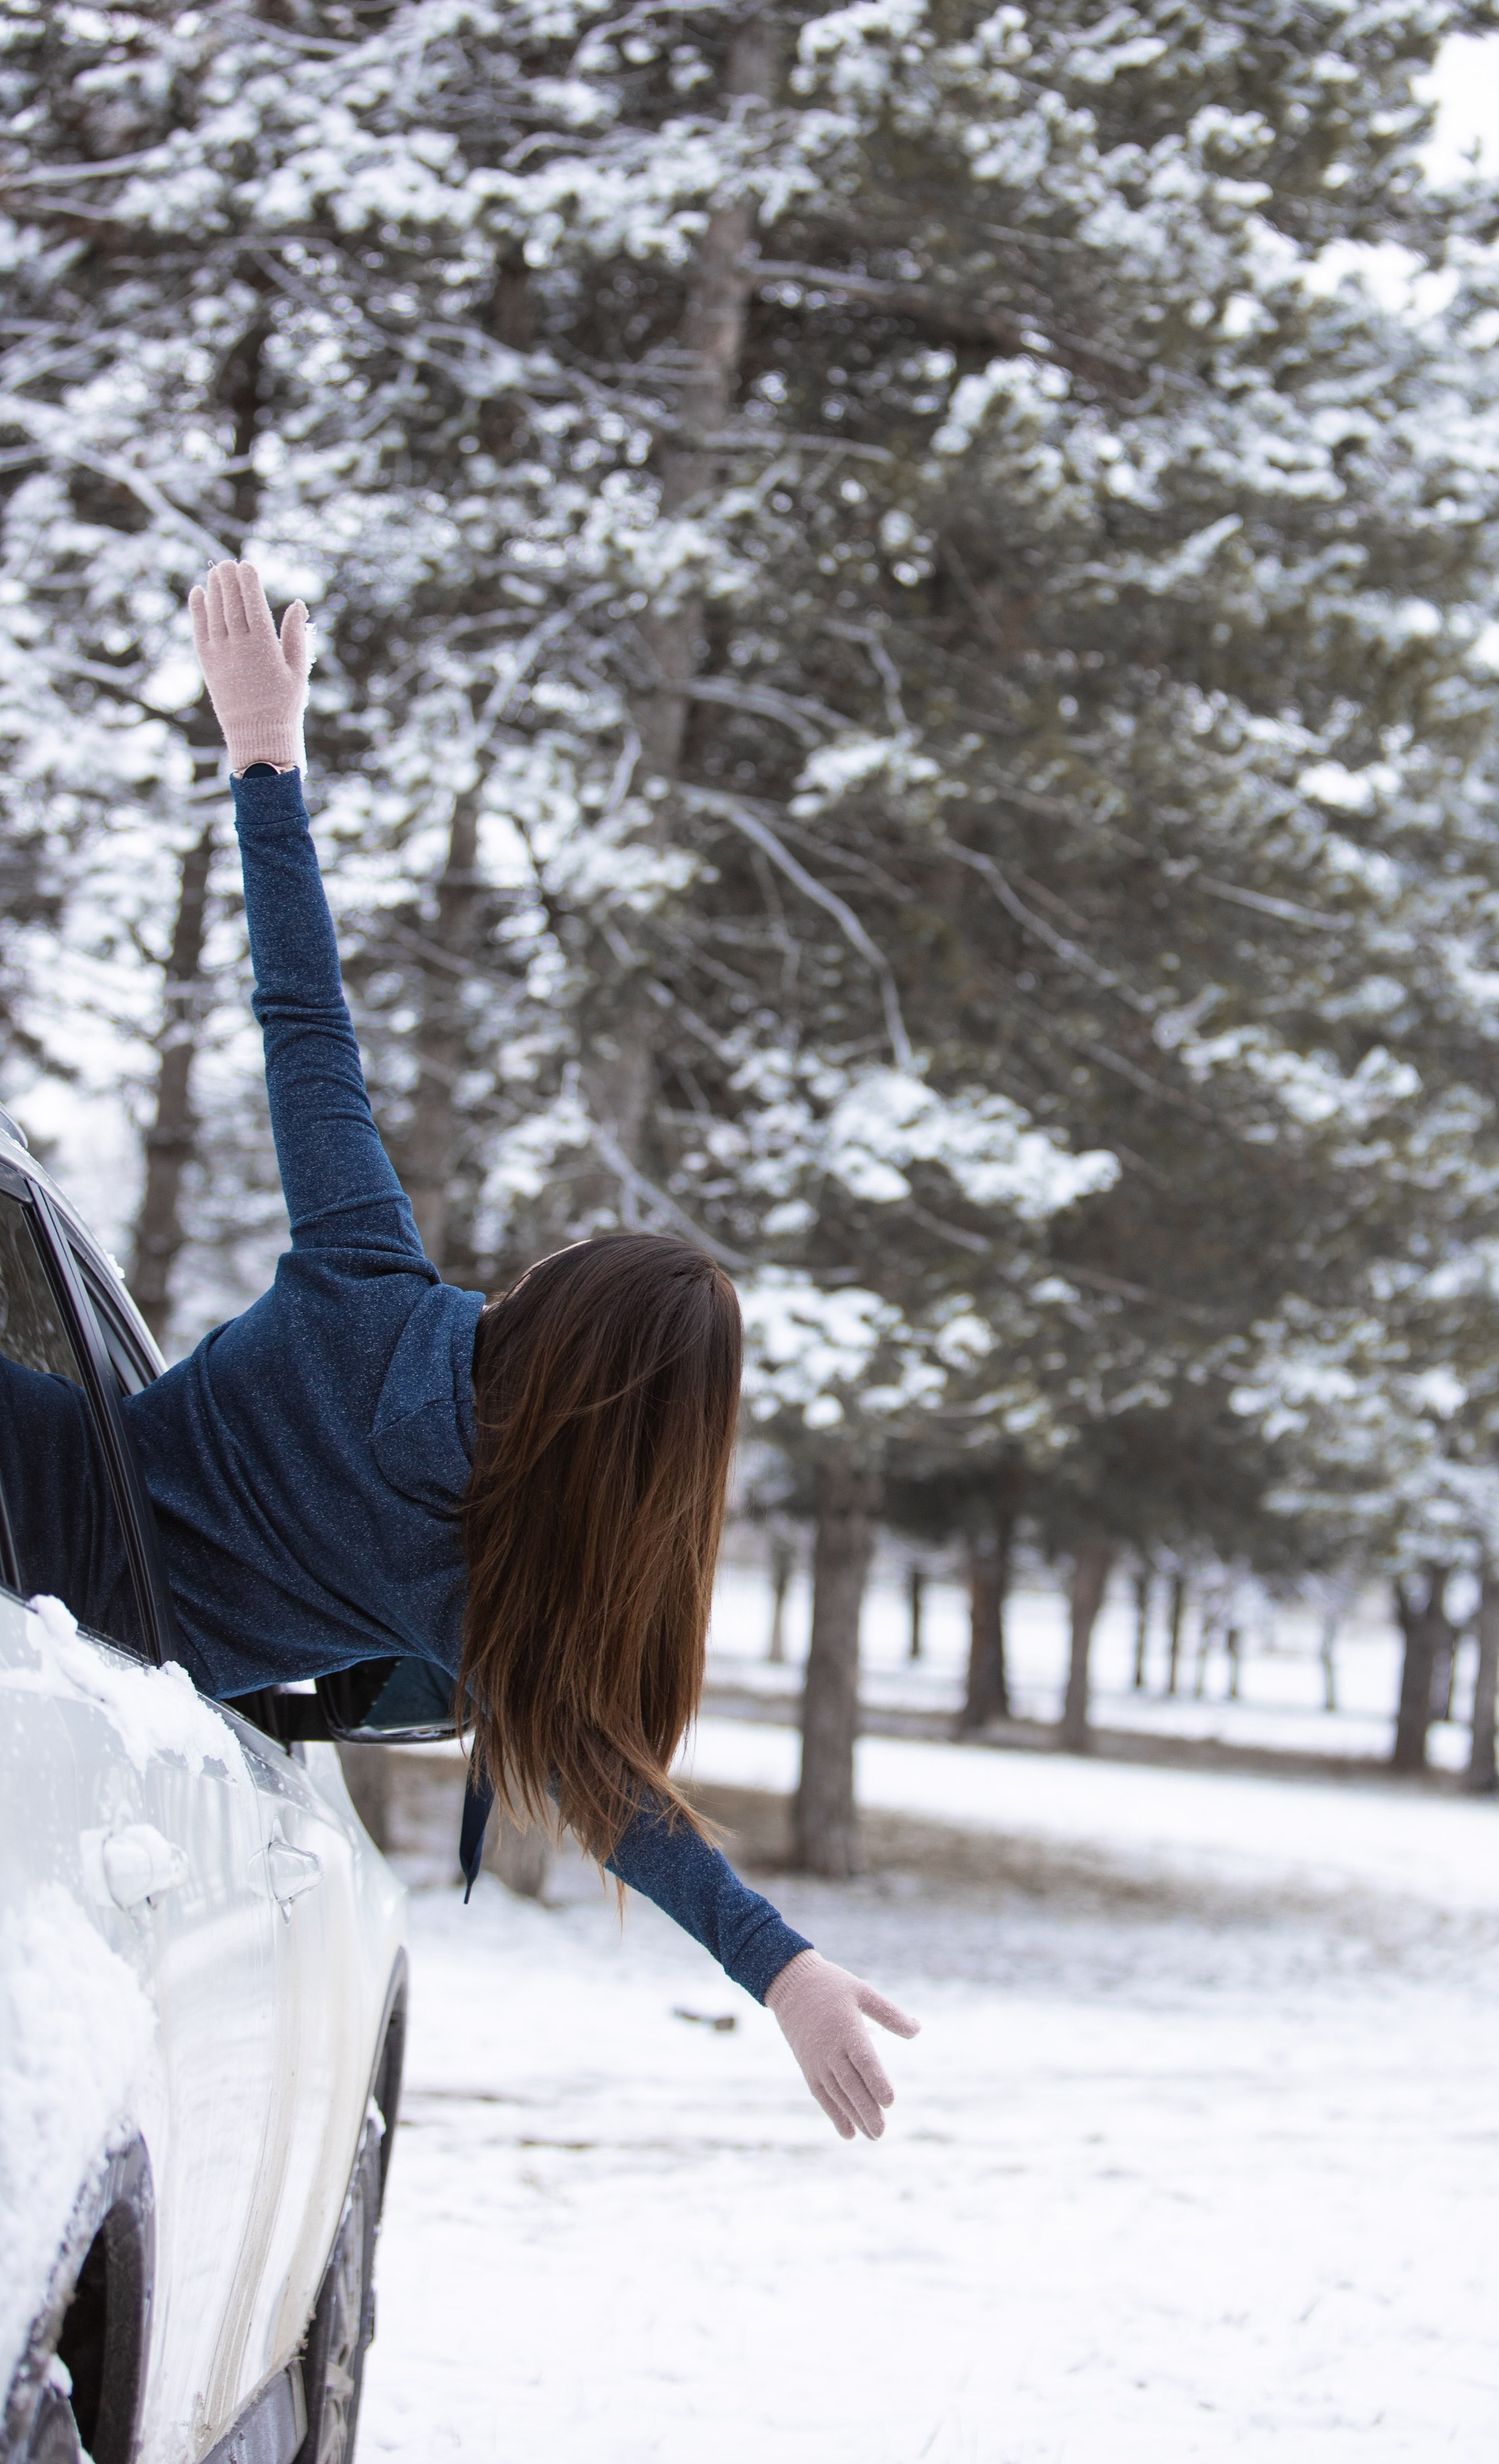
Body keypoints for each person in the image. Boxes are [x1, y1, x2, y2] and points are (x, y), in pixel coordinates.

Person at [111, 559, 917, 2144]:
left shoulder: (366, 1278)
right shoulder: (483, 1597)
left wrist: (264, 761)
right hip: (111, 1685)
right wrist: (781, 1968)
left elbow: (306, 1019)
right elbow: (624, 1807)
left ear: (553, 1315)